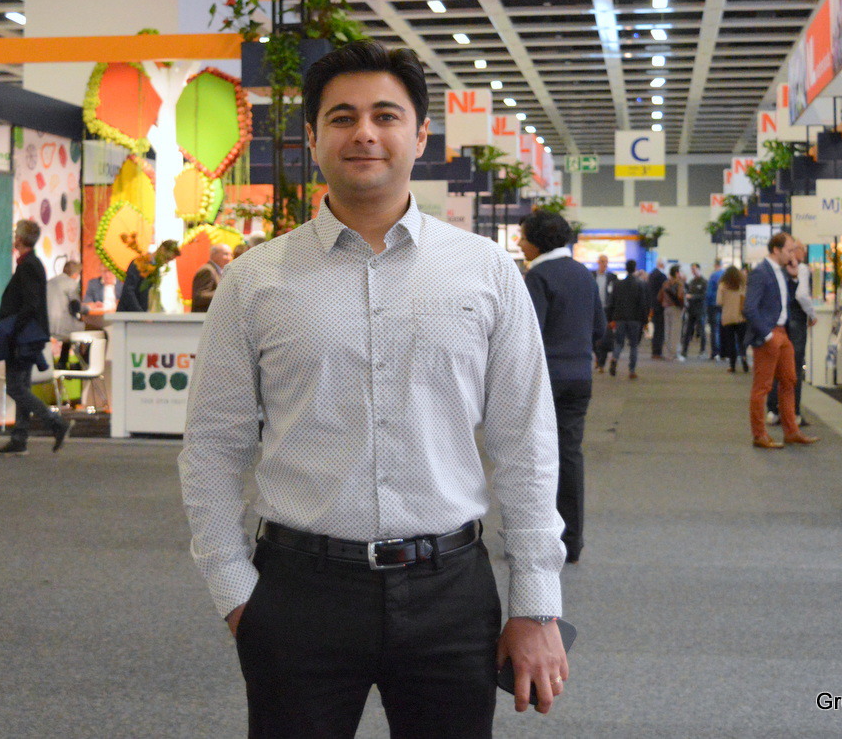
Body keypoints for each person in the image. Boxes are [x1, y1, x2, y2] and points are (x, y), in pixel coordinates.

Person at [179, 39, 569, 735]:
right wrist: (234, 590)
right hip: (299, 593)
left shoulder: (485, 272)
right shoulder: (254, 281)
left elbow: (526, 443)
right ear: (312, 136)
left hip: (450, 589)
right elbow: (212, 444)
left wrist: (536, 604)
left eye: (386, 115)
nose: (364, 132)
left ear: (420, 136)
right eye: (342, 117)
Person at [520, 210, 605, 564]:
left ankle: (538, 536)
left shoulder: (538, 276)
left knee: (535, 457)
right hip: (579, 377)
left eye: (523, 236)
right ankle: (573, 539)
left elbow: (529, 333)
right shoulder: (583, 274)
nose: (519, 243)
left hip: (545, 380)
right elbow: (600, 328)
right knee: (570, 454)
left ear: (538, 242)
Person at [0, 219, 73, 455]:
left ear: (19, 238)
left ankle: (55, 423)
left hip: (23, 337)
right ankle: (20, 438)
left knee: (16, 387)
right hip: (28, 335)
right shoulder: (31, 264)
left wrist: (13, 329)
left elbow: (30, 304)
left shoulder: (28, 266)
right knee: (22, 386)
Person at [743, 232, 819, 450]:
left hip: (784, 332)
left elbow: (784, 301)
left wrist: (793, 278)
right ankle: (759, 435)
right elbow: (749, 308)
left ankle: (791, 431)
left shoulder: (782, 271)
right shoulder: (760, 272)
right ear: (776, 250)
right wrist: (767, 335)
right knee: (763, 386)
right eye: (789, 250)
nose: (793, 254)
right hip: (770, 334)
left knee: (789, 381)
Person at [767, 240, 817, 426]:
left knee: (777, 366)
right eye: (801, 249)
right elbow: (802, 295)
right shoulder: (802, 269)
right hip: (796, 321)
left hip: (779, 322)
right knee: (794, 368)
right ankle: (793, 412)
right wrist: (812, 314)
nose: (803, 253)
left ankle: (773, 410)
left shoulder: (778, 270)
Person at [607, 258, 649, 379]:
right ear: (635, 269)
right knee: (634, 345)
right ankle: (632, 370)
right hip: (635, 319)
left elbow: (611, 302)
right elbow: (643, 304)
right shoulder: (640, 284)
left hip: (620, 318)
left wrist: (610, 319)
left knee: (619, 343)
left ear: (625, 268)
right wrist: (645, 321)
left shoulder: (617, 284)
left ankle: (614, 358)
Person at [47, 259, 82, 369]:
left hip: (46, 325)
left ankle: (62, 363)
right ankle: (83, 363)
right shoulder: (72, 284)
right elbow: (75, 307)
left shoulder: (49, 282)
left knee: (68, 337)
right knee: (98, 332)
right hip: (62, 325)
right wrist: (88, 308)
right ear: (75, 274)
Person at [716, 265, 748, 373]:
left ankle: (732, 365)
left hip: (727, 317)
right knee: (742, 341)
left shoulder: (722, 285)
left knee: (731, 342)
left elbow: (719, 301)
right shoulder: (742, 285)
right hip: (741, 316)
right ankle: (744, 358)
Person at [592, 254, 617, 373]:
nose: (604, 264)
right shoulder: (591, 276)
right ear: (598, 262)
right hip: (594, 309)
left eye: (606, 262)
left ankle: (601, 362)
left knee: (605, 336)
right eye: (602, 261)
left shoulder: (612, 277)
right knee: (593, 335)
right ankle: (597, 356)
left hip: (607, 310)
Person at [190, 243, 232, 313]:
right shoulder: (207, 271)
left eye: (231, 255)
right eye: (226, 254)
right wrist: (225, 293)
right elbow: (200, 296)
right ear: (213, 254)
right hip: (203, 316)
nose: (229, 258)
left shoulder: (218, 271)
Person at [681, 262, 708, 358]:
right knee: (688, 331)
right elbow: (687, 292)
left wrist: (692, 296)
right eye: (692, 269)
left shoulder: (704, 282)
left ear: (699, 269)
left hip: (700, 310)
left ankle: (703, 351)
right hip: (691, 310)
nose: (692, 271)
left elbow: (704, 296)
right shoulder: (691, 282)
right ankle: (684, 351)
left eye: (694, 269)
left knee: (701, 331)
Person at [659, 264, 686, 361]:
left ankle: (668, 353)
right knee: (676, 331)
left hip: (666, 308)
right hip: (676, 308)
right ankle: (675, 353)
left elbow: (660, 296)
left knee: (667, 331)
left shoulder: (665, 283)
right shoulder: (679, 283)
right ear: (677, 273)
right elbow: (680, 296)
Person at [647, 259, 667, 358]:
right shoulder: (662, 276)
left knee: (656, 329)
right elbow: (665, 292)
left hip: (653, 305)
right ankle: (657, 351)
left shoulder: (651, 275)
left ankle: (655, 351)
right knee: (660, 330)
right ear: (662, 264)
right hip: (660, 306)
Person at [705, 258, 724, 360]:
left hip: (713, 304)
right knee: (722, 329)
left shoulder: (714, 276)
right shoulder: (726, 275)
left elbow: (708, 293)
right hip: (724, 305)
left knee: (714, 329)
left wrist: (706, 305)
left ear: (715, 265)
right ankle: (723, 352)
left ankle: (715, 352)